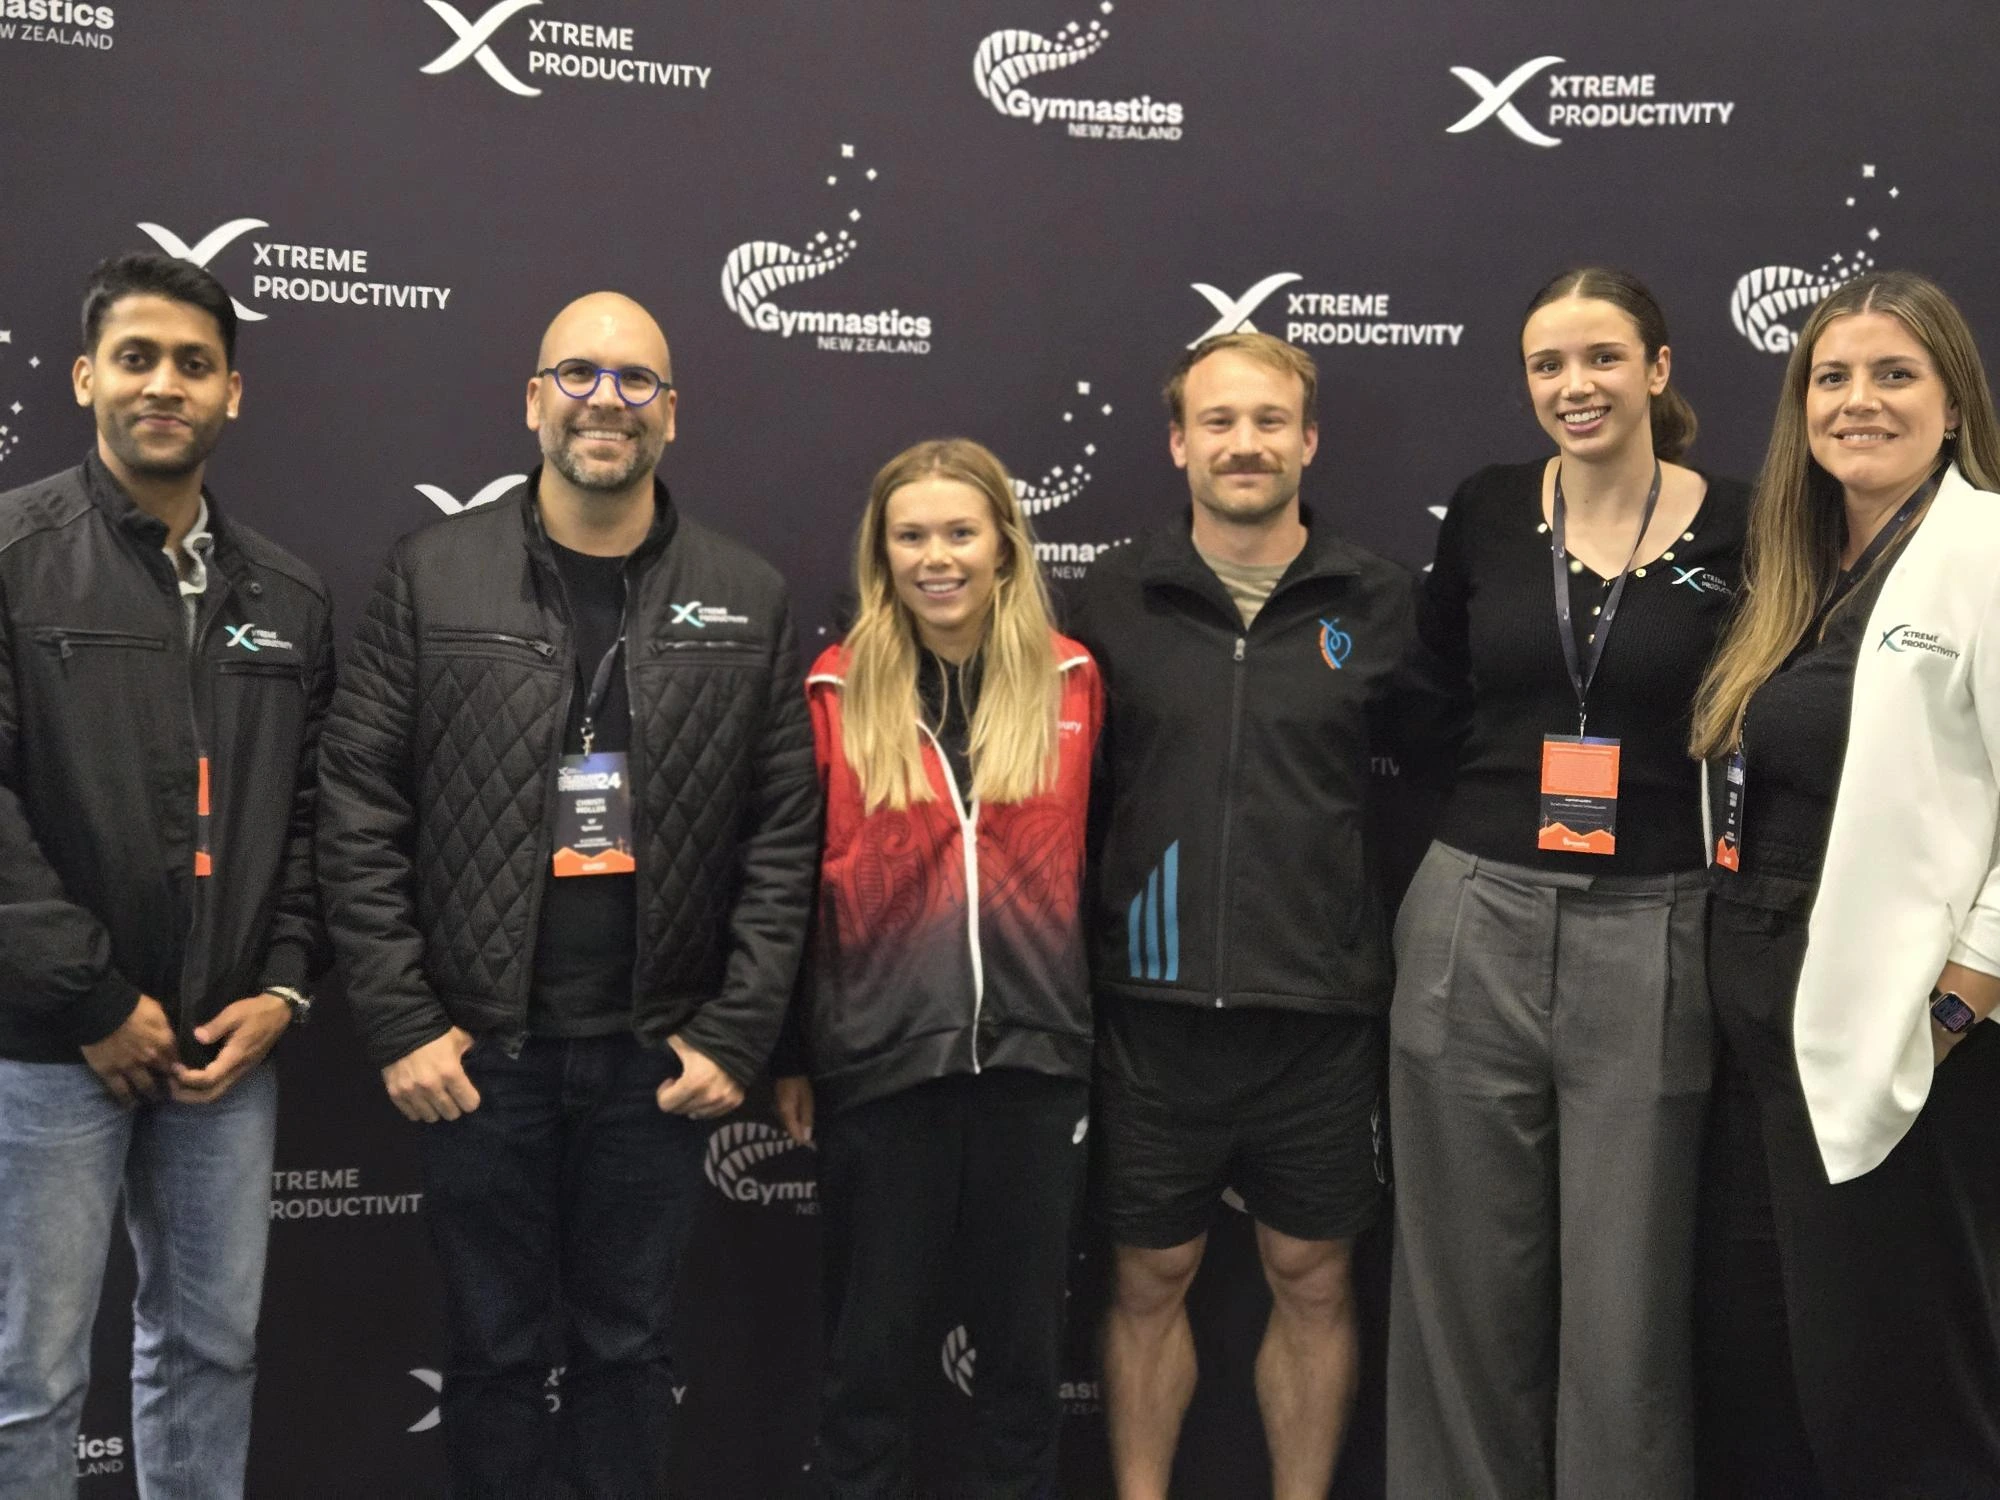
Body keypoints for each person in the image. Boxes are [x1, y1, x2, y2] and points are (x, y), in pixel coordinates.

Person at [316, 292, 818, 1499]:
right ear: (533, 398)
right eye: (579, 374)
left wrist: (738, 1032)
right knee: (491, 1355)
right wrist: (399, 1021)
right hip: (480, 1057)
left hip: (654, 1060)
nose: (607, 399)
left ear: (671, 415)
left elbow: (782, 838)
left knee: (628, 1352)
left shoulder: (744, 593)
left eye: (636, 380)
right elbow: (357, 804)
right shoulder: (432, 576)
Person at [1388, 268, 1749, 1500]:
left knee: (1625, 1308)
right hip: (1472, 913)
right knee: (1461, 1297)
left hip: (1653, 922)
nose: (1571, 385)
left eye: (1600, 358)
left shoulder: (1742, 525)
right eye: (1546, 364)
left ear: (1655, 370)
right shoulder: (1489, 510)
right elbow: (1429, 699)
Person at [0, 252, 332, 1500]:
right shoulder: (14, 554)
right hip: (45, 1047)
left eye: (194, 364)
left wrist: (288, 987)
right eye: (136, 357)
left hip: (220, 1053)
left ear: (231, 394)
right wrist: (89, 1000)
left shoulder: (288, 596)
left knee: (209, 1355)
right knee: (29, 1381)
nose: (164, 384)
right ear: (85, 377)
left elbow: (312, 818)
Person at [1071, 332, 1413, 1500]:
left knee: (1313, 1278)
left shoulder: (1377, 602)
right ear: (1176, 443)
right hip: (1151, 1011)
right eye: (1217, 422)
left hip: (1315, 1013)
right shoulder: (1112, 597)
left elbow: (1420, 795)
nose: (1244, 443)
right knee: (1144, 1281)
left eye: (1269, 421)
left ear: (1307, 441)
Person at [1689, 270, 2000, 1499]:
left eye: (1891, 374)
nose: (1855, 401)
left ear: (1951, 402)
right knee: (1790, 1382)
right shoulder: (1796, 569)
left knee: (1904, 1398)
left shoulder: (1982, 548)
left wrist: (1961, 996)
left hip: (1904, 1040)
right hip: (1764, 1024)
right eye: (1829, 377)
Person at [771, 438, 1103, 1499]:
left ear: (1002, 544)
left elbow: (1106, 870)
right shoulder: (834, 687)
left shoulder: (1072, 678)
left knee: (1021, 1371)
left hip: (1032, 1071)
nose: (936, 558)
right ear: (882, 552)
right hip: (880, 1069)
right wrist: (790, 1050)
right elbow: (786, 878)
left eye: (959, 532)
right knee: (867, 1370)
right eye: (910, 536)